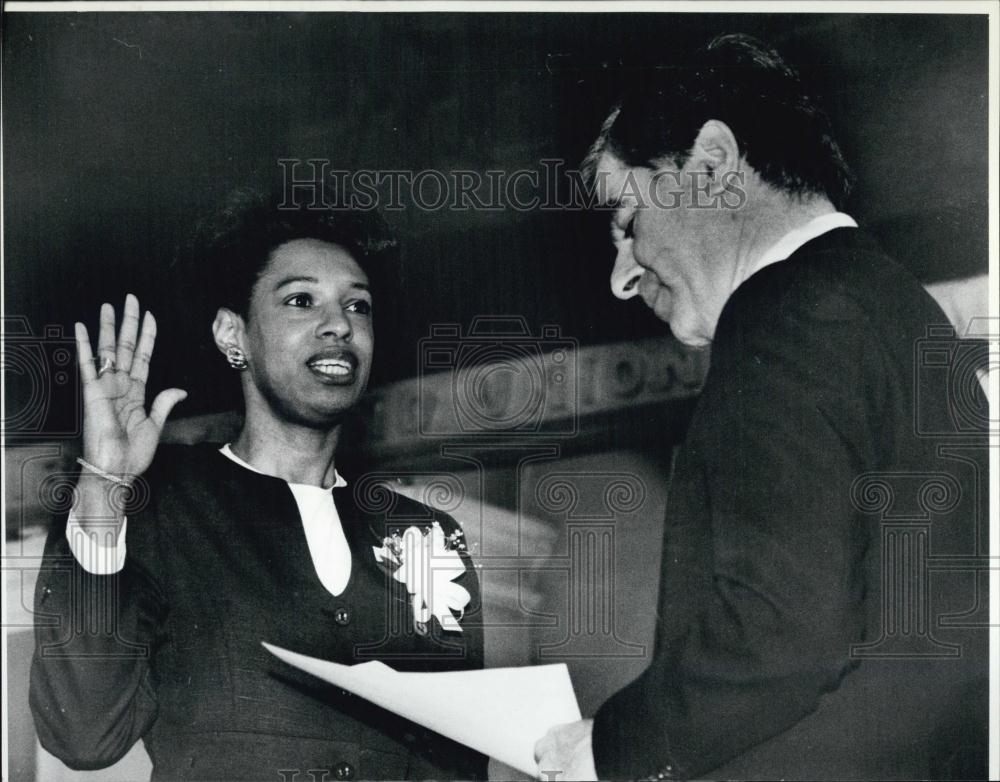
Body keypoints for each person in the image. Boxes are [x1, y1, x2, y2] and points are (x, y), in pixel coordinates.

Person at [535, 34, 989, 780]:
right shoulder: (890, 308)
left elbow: (779, 631)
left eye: (624, 219)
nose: (623, 275)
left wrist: (608, 748)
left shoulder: (780, 316)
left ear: (711, 164)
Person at [30, 191, 488, 781]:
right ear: (233, 336)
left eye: (360, 306)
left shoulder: (427, 537)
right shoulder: (158, 507)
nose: (339, 326)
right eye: (302, 301)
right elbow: (84, 735)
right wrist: (101, 490)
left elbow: (457, 764)